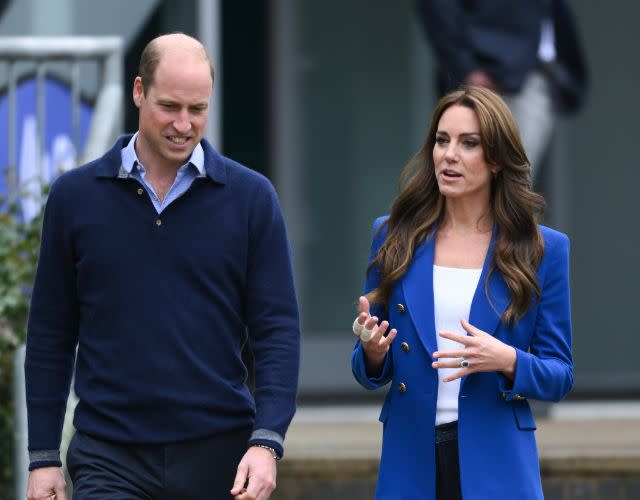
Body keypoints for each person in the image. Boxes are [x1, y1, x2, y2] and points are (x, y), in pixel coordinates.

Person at [25, 33, 300, 500]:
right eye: (169, 106)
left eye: (197, 109)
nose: (183, 124)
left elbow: (276, 330)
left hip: (221, 456)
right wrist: (43, 457)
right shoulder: (75, 198)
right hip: (108, 456)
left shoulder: (252, 199)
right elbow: (51, 333)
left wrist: (268, 440)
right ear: (138, 91)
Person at [351, 86, 572, 499]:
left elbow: (560, 375)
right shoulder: (393, 235)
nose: (449, 155)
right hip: (410, 459)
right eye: (441, 140)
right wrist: (373, 350)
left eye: (468, 143)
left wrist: (506, 359)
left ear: (496, 160)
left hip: (498, 464)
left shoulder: (543, 249)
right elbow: (368, 368)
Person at [416, 0, 588, 178]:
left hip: (537, 74)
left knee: (511, 184)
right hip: (488, 75)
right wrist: (466, 69)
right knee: (480, 181)